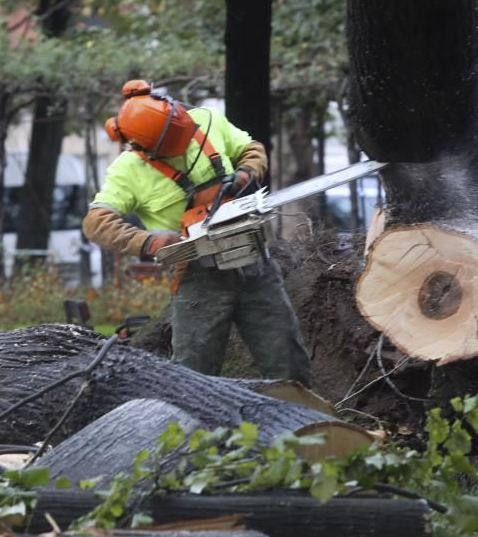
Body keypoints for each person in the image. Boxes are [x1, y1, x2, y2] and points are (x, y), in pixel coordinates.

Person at [83, 80, 311, 385]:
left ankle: (302, 420)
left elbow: (252, 149)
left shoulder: (206, 119)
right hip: (198, 276)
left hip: (255, 264)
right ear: (142, 145)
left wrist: (247, 172)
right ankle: (195, 429)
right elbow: (96, 222)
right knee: (194, 374)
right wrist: (148, 241)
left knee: (288, 357)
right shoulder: (128, 170)